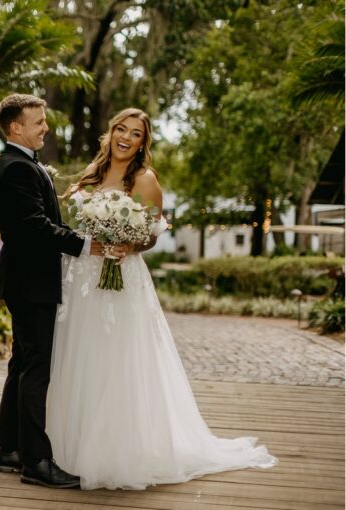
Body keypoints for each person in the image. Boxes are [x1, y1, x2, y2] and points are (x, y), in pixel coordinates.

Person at [46, 107, 277, 490]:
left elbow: (152, 234)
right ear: (112, 131)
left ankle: (117, 452)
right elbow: (78, 226)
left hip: (122, 275)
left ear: (142, 142)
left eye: (135, 133)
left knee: (118, 358)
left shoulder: (145, 179)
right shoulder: (94, 173)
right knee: (81, 355)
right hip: (85, 278)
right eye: (120, 128)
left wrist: (128, 244)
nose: (125, 137)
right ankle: (67, 449)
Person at [0, 93, 117, 489]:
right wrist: (84, 244)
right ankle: (37, 462)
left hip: (27, 281)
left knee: (22, 364)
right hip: (31, 283)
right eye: (38, 121)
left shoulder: (21, 164)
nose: (45, 127)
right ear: (16, 127)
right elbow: (33, 226)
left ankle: (10, 449)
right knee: (36, 370)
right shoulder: (16, 169)